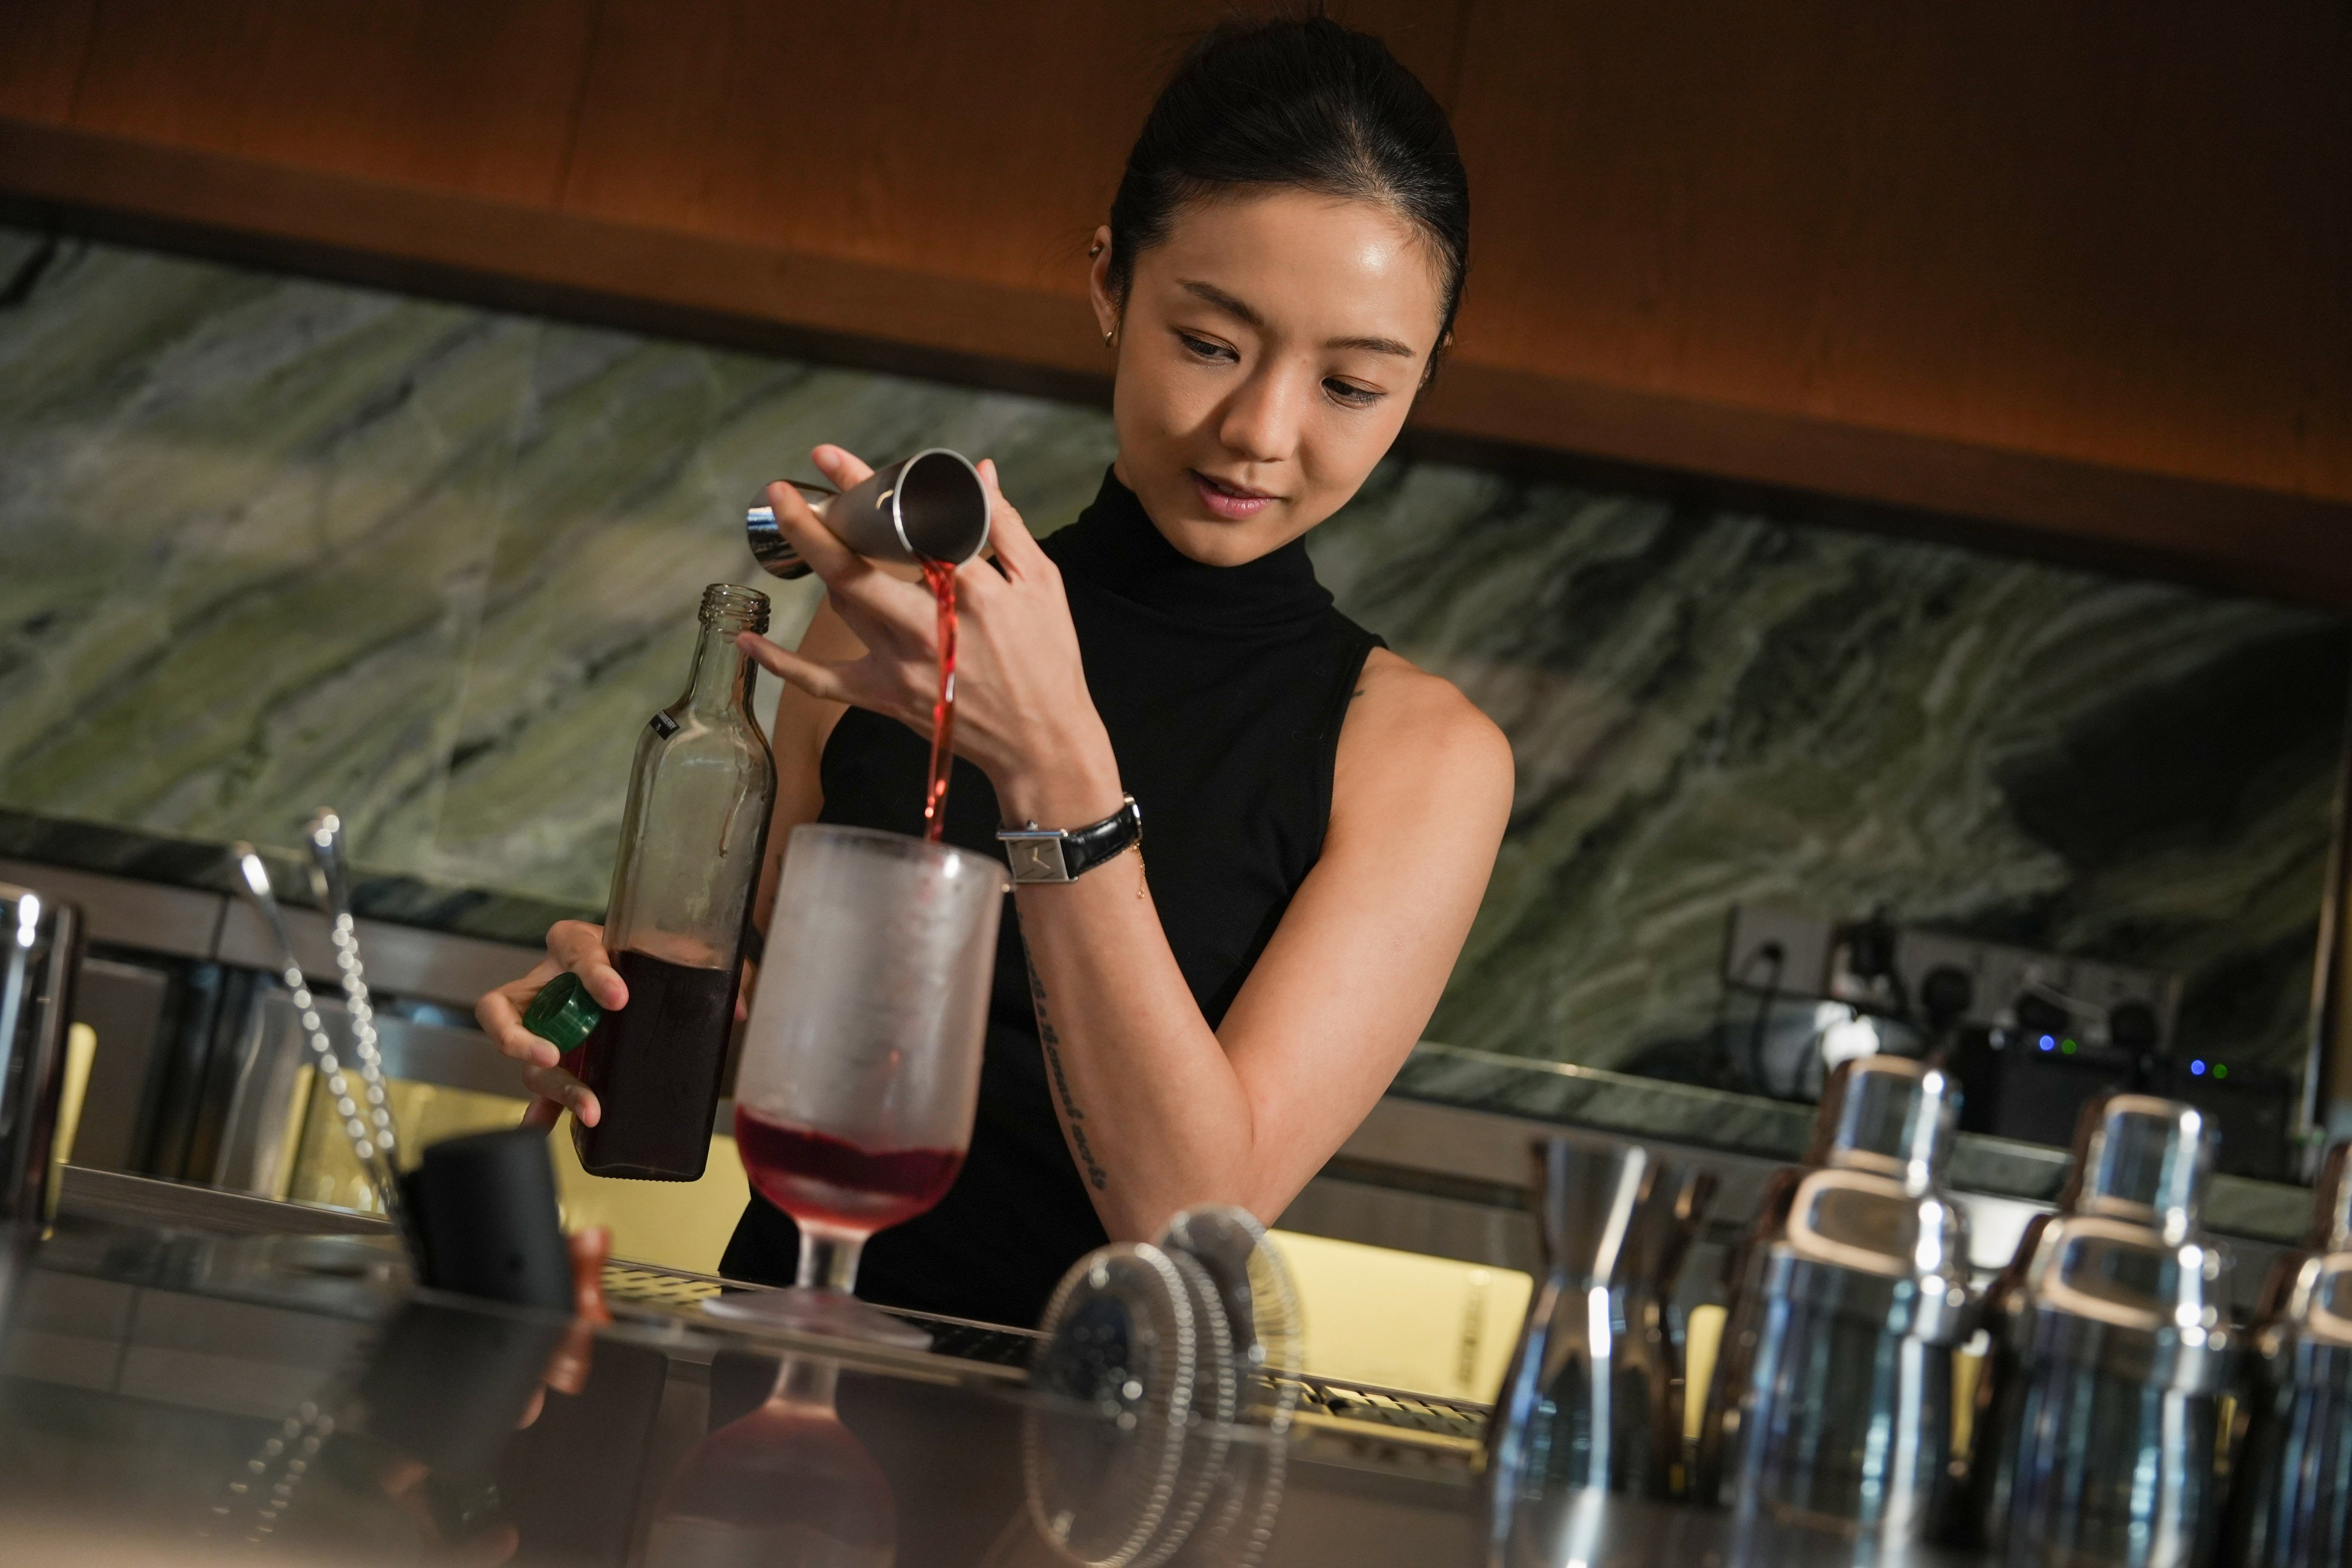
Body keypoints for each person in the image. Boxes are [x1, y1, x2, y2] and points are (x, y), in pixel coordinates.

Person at [476, 15, 1514, 1328]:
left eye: (1352, 385)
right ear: (1107, 283)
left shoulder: (1415, 755)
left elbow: (1190, 1220)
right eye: (1209, 342)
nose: (1259, 431)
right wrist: (593, 1011)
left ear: (1422, 381)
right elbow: (758, 1017)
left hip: (1089, 1482)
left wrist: (1050, 760)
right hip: (778, 1390)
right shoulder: (888, 620)